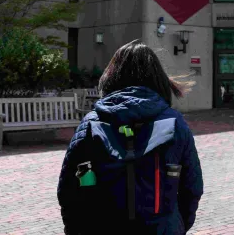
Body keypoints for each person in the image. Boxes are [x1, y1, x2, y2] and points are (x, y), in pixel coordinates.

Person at [57, 40, 204, 234]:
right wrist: (177, 225)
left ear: (111, 77)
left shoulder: (91, 124)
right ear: (158, 79)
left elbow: (69, 191)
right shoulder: (175, 124)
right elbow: (192, 188)